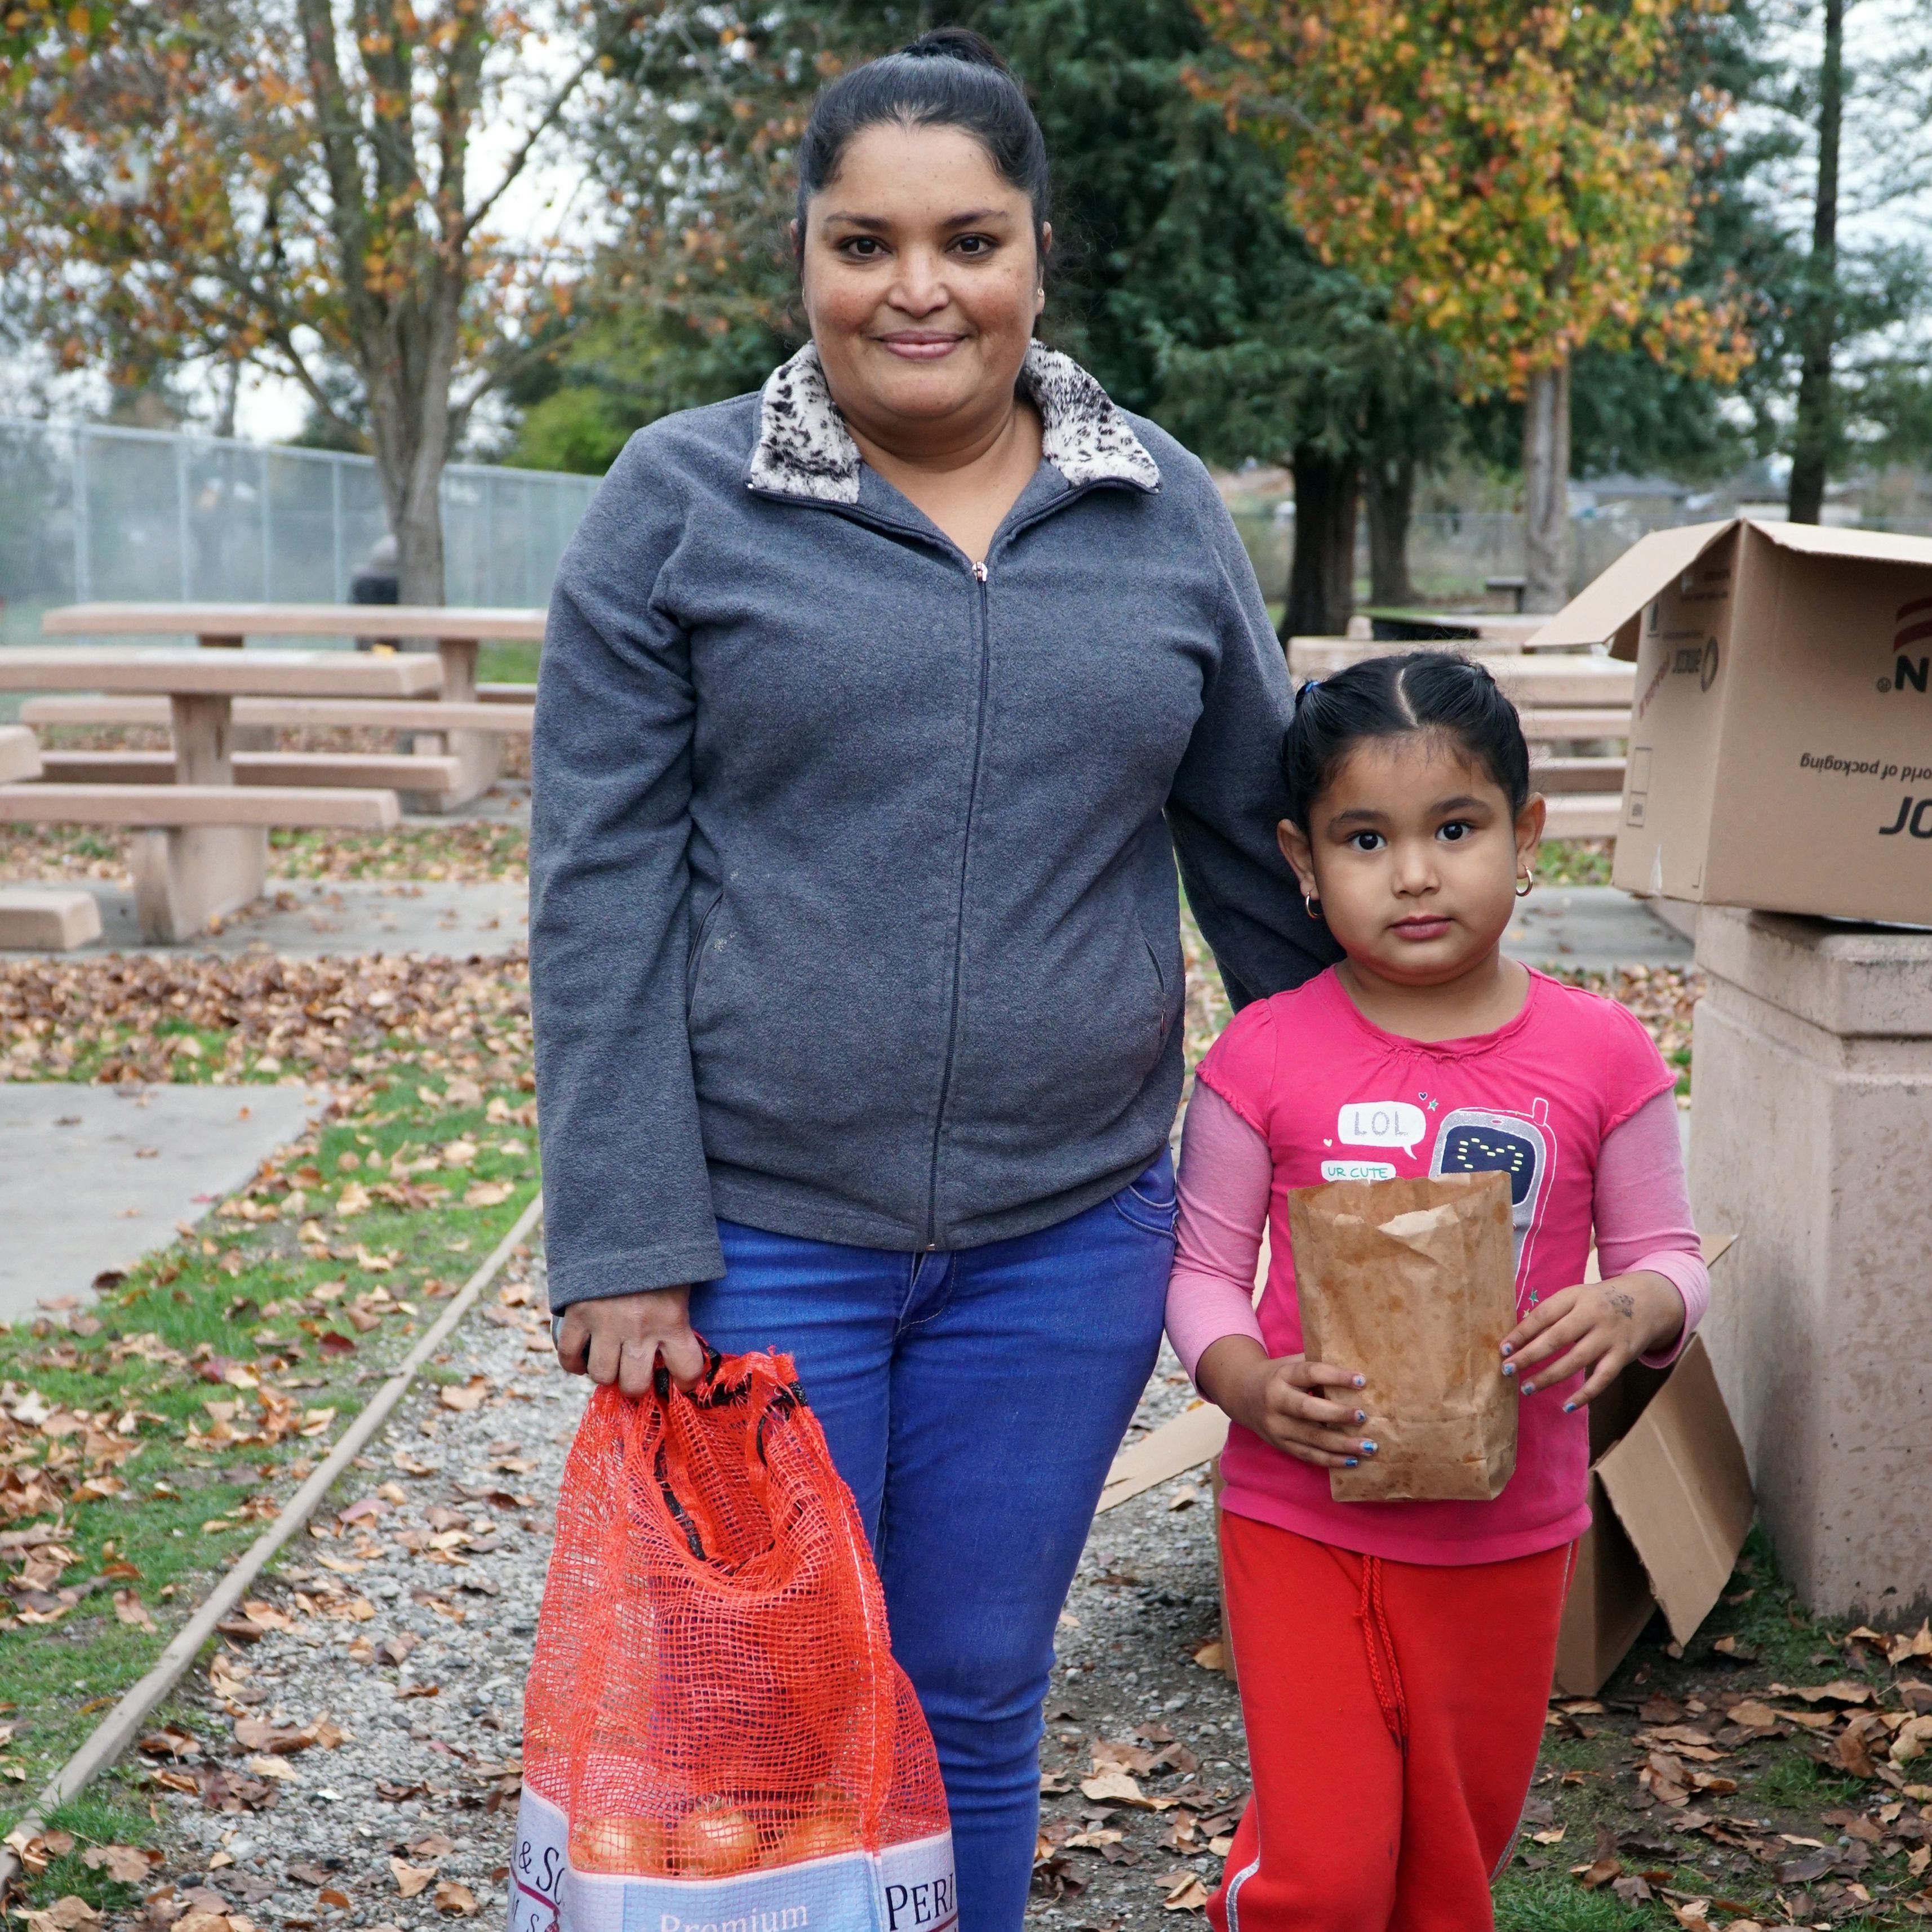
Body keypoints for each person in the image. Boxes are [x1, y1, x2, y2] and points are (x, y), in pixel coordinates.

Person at [527, 29, 1340, 1931]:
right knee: (762, 1715)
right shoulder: (679, 502)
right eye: (861, 241)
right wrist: (624, 1230)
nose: (917, 290)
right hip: (760, 1240)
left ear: (1038, 253)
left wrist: (1373, 1170)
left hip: (1063, 1248)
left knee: (972, 1693)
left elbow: (1264, 869)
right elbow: (600, 887)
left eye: (967, 240)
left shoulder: (1160, 511)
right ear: (802, 257)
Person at [1165, 652, 1710, 1932]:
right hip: (1298, 1516)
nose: (1412, 872)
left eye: (1452, 828)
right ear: (1301, 859)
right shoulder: (1263, 1054)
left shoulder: (1602, 1052)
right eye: (1365, 837)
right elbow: (1198, 1275)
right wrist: (1243, 1379)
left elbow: (1672, 1257)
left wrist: (1632, 1309)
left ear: (1524, 834)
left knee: (1444, 1869)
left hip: (1509, 1535)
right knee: (1325, 1870)